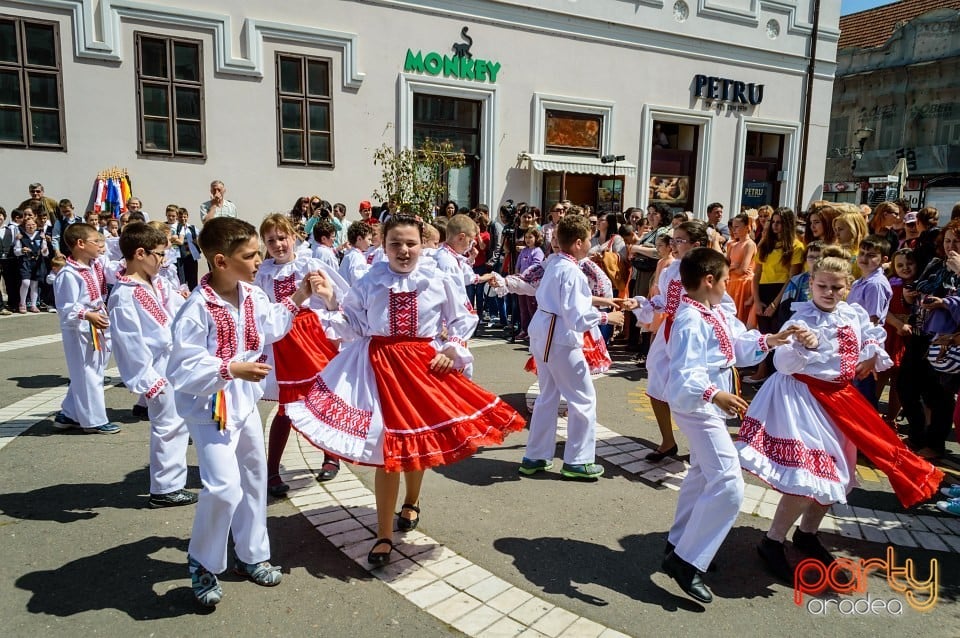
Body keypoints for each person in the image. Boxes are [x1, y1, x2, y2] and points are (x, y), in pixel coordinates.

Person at [287, 214, 525, 566]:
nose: (403, 250)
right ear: (383, 246)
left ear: (422, 244)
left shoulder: (437, 278)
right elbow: (352, 325)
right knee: (388, 452)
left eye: (410, 243)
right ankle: (383, 533)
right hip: (377, 368)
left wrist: (451, 348)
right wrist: (330, 300)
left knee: (418, 441)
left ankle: (412, 500)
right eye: (395, 243)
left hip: (423, 367)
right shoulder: (370, 281)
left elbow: (463, 318)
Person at [737, 255, 943, 583]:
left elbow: (872, 334)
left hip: (840, 402)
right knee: (808, 477)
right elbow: (784, 364)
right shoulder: (800, 318)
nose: (829, 292)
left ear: (847, 287)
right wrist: (804, 346)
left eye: (836, 287)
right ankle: (772, 541)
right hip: (801, 399)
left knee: (837, 476)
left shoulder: (852, 313)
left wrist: (873, 353)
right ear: (811, 285)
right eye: (822, 286)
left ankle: (806, 533)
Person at [167, 217, 318, 606]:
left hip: (244, 402)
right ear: (221, 261)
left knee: (252, 477)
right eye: (249, 255)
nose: (258, 260)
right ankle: (202, 561)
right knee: (222, 486)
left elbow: (271, 325)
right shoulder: (197, 307)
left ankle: (252, 555)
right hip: (210, 406)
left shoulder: (251, 295)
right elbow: (181, 367)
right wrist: (229, 369)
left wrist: (299, 295)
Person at [662, 248, 796, 603]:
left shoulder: (710, 312)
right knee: (729, 484)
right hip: (698, 405)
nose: (728, 285)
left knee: (703, 474)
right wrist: (714, 393)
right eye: (724, 279)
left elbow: (736, 342)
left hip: (705, 401)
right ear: (709, 281)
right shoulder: (691, 320)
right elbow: (684, 373)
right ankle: (687, 560)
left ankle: (678, 542)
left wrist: (768, 340)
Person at [519, 214, 623, 480]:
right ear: (578, 243)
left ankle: (536, 456)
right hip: (561, 339)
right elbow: (577, 316)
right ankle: (578, 461)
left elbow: (569, 300)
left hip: (544, 335)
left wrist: (606, 304)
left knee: (547, 397)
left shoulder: (554, 263)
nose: (591, 243)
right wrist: (605, 316)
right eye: (588, 239)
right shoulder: (571, 270)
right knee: (583, 399)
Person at [255, 214, 346, 494]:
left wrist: (327, 299)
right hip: (282, 339)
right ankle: (271, 470)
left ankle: (331, 455)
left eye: (282, 238)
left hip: (311, 335)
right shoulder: (264, 272)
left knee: (321, 399)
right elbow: (260, 308)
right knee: (286, 406)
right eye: (271, 240)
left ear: (293, 237)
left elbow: (338, 296)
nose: (278, 244)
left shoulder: (309, 263)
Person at [107, 222, 196, 508]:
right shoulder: (124, 296)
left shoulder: (156, 282)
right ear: (140, 253)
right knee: (167, 425)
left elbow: (176, 311)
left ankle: (173, 482)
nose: (164, 260)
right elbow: (129, 343)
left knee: (180, 423)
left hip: (174, 361)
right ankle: (165, 488)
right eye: (160, 254)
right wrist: (147, 380)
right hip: (156, 367)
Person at [626, 220, 710, 461]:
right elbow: (664, 301)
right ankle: (667, 441)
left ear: (696, 244)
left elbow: (717, 306)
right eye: (673, 239)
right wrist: (642, 303)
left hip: (693, 335)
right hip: (669, 331)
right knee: (656, 381)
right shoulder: (672, 269)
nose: (674, 244)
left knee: (692, 387)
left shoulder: (706, 271)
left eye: (680, 240)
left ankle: (701, 446)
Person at [51, 224, 120, 435]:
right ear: (80, 244)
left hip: (98, 322)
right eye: (96, 241)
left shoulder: (96, 265)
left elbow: (114, 272)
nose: (101, 245)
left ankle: (70, 413)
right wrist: (87, 314)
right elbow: (66, 307)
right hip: (80, 329)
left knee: (93, 370)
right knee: (87, 372)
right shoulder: (68, 274)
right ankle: (93, 420)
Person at [900, 220, 960, 458]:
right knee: (907, 387)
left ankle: (934, 445)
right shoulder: (936, 264)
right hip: (921, 333)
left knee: (940, 396)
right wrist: (908, 295)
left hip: (948, 340)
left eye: (956, 241)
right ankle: (916, 435)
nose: (950, 245)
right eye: (947, 240)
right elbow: (917, 290)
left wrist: (944, 302)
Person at [745, 207, 803, 383]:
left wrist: (774, 304)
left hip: (782, 293)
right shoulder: (765, 244)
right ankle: (762, 371)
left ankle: (774, 375)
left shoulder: (796, 246)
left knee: (779, 333)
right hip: (763, 290)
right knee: (764, 334)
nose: (775, 226)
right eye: (774, 222)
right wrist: (757, 300)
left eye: (779, 223)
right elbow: (757, 273)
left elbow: (791, 278)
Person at [846, 235, 893, 407]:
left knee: (862, 398)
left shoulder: (876, 284)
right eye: (862, 253)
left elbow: (874, 321)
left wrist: (871, 354)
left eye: (871, 255)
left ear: (884, 260)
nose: (864, 258)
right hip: (854, 342)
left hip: (864, 346)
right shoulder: (861, 281)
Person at [14, 213, 51, 313]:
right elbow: (16, 251)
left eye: (33, 225)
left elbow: (45, 251)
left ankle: (33, 305)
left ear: (36, 225)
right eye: (28, 225)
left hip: (37, 262)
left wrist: (44, 251)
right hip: (25, 262)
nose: (31, 227)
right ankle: (22, 303)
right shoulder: (21, 236)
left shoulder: (41, 236)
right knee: (26, 282)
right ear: (25, 226)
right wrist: (22, 250)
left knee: (34, 284)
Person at [724, 213, 756, 324]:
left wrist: (731, 268)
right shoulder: (733, 245)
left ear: (747, 227)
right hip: (732, 283)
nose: (734, 230)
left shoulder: (749, 244)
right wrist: (733, 268)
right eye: (733, 227)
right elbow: (725, 264)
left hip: (743, 284)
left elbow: (743, 269)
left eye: (737, 227)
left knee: (740, 317)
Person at [514, 227, 544, 341]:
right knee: (523, 308)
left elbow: (535, 267)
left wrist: (526, 276)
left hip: (531, 284)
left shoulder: (538, 251)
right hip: (521, 283)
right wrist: (517, 274)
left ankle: (533, 331)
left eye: (530, 237)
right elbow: (518, 264)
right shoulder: (524, 250)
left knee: (532, 307)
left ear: (536, 238)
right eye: (526, 237)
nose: (527, 240)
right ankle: (524, 329)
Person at [339, 221, 373, 287]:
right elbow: (358, 280)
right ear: (359, 239)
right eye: (369, 239)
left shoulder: (350, 254)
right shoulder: (357, 257)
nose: (371, 243)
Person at [176, 208, 200, 290]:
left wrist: (197, 242)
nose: (183, 219)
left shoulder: (192, 228)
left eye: (184, 217)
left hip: (191, 256)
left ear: (187, 217)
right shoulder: (175, 228)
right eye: (180, 217)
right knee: (182, 278)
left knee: (192, 277)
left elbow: (199, 239)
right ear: (177, 218)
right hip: (180, 257)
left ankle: (193, 292)